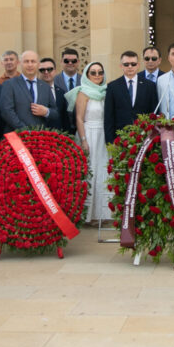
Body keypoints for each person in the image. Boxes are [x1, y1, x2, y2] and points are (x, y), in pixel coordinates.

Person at [68, 61, 110, 224]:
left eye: (100, 72)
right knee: (90, 171)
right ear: (86, 75)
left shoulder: (106, 91)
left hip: (102, 135)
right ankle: (87, 215)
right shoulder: (83, 92)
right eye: (93, 73)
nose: (97, 75)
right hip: (88, 134)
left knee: (103, 171)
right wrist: (84, 140)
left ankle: (101, 214)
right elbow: (79, 118)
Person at [104, 51, 159, 143]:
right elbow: (109, 116)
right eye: (126, 64)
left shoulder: (149, 86)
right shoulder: (112, 86)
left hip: (144, 137)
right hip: (120, 138)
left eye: (133, 64)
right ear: (121, 66)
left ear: (138, 65)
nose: (130, 67)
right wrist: (110, 141)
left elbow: (153, 112)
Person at [1, 51, 61, 132]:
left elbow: (55, 113)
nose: (30, 65)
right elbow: (7, 112)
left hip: (40, 138)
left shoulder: (45, 87)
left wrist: (46, 112)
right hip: (16, 137)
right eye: (26, 61)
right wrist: (25, 130)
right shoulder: (9, 84)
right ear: (20, 63)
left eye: (33, 61)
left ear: (38, 64)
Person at [38, 56, 68, 132]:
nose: (46, 72)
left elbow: (64, 118)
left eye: (49, 69)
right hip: (37, 136)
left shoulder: (61, 92)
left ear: (55, 71)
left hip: (57, 137)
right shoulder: (32, 91)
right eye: (42, 70)